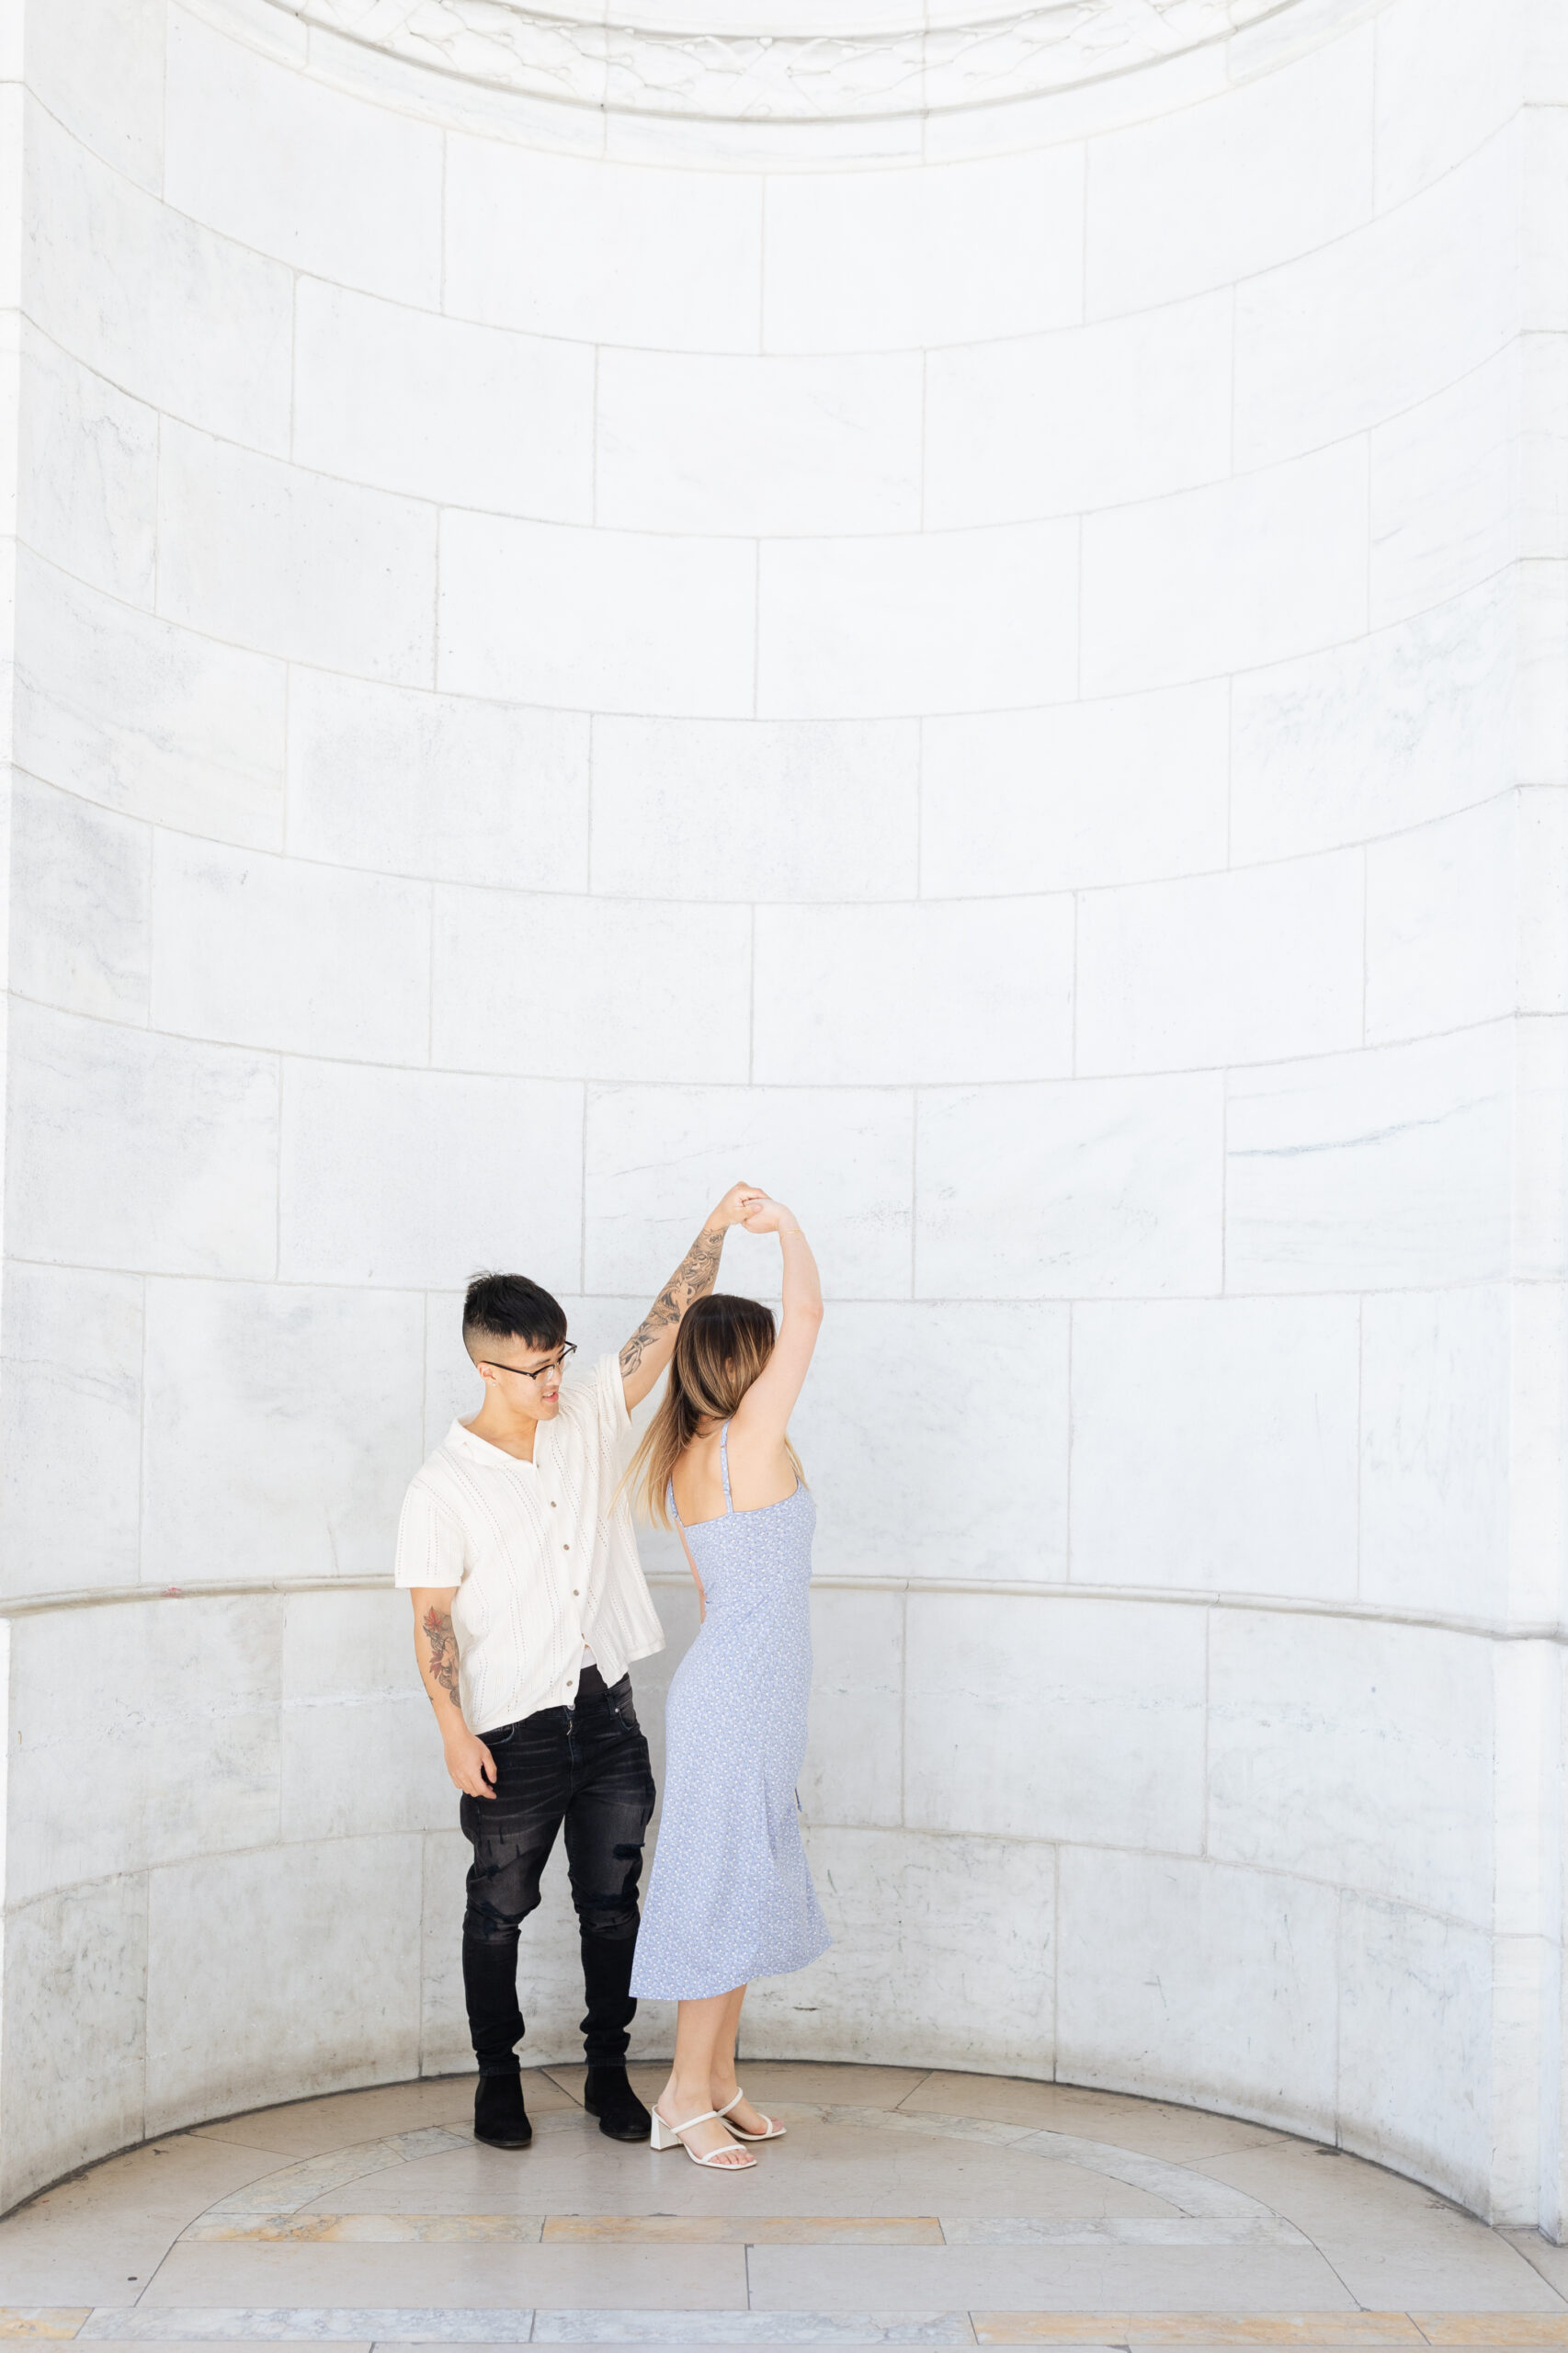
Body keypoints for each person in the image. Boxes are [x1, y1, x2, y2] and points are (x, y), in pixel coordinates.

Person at [396, 1182, 762, 2154]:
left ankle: (610, 2075)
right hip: (509, 1727)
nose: (554, 1380)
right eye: (532, 1369)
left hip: (605, 1715)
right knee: (499, 1912)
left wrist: (715, 1228)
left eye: (558, 1358)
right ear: (485, 1367)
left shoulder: (588, 1410)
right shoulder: (441, 1486)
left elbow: (665, 1320)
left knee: (614, 1906)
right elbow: (430, 1618)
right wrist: (451, 1729)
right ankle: (497, 2080)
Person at [625, 1195, 831, 2171]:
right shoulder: (749, 1438)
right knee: (720, 1888)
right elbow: (811, 1318)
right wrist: (784, 1226)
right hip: (739, 1695)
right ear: (743, 1365)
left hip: (740, 1688)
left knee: (739, 1883)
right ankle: (678, 2093)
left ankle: (717, 2081)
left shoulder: (686, 1458)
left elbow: (718, 1599)